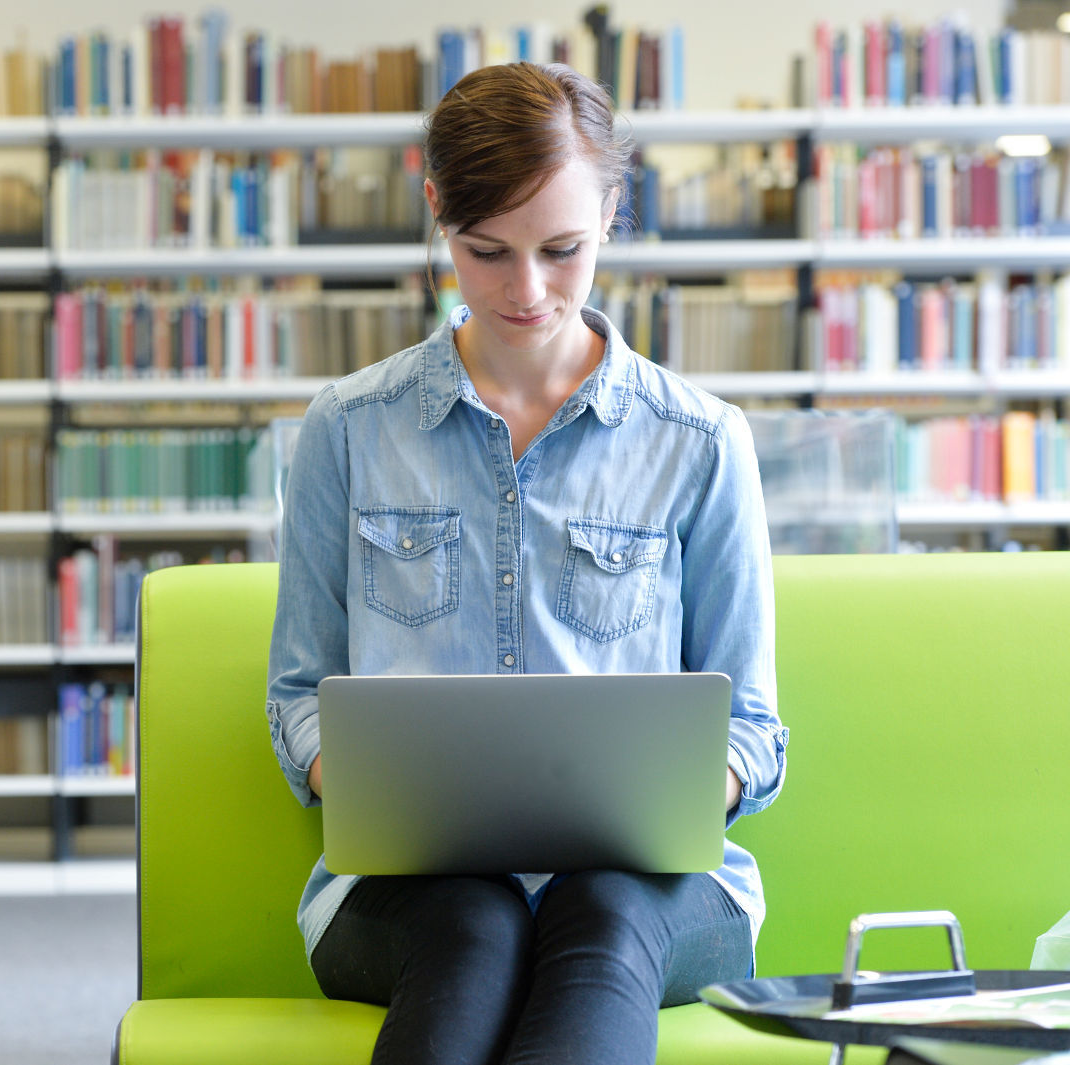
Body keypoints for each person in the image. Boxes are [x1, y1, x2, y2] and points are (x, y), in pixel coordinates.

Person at [264, 61, 790, 1065]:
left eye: (561, 249)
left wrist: (679, 791)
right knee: (475, 927)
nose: (526, 290)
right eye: (484, 250)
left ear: (611, 215)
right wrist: (372, 788)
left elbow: (754, 731)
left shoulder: (701, 442)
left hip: (655, 894)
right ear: (436, 212)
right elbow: (299, 692)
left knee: (595, 922)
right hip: (407, 892)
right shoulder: (347, 429)